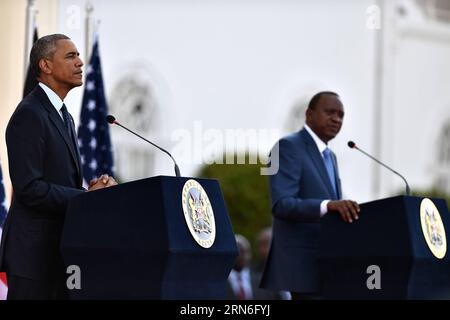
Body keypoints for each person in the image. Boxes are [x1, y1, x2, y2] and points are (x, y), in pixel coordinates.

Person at [0, 34, 116, 300]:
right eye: (70, 56)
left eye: (78, 55)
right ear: (46, 65)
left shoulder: (66, 117)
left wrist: (94, 189)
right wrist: (85, 197)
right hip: (32, 259)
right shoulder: (29, 114)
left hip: (60, 254)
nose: (80, 62)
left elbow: (62, 183)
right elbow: (29, 188)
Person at [260, 91, 360, 300]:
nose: (336, 119)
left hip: (328, 264)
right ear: (309, 115)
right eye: (330, 112)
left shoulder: (330, 156)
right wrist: (327, 206)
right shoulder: (286, 147)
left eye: (341, 115)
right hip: (302, 267)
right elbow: (282, 204)